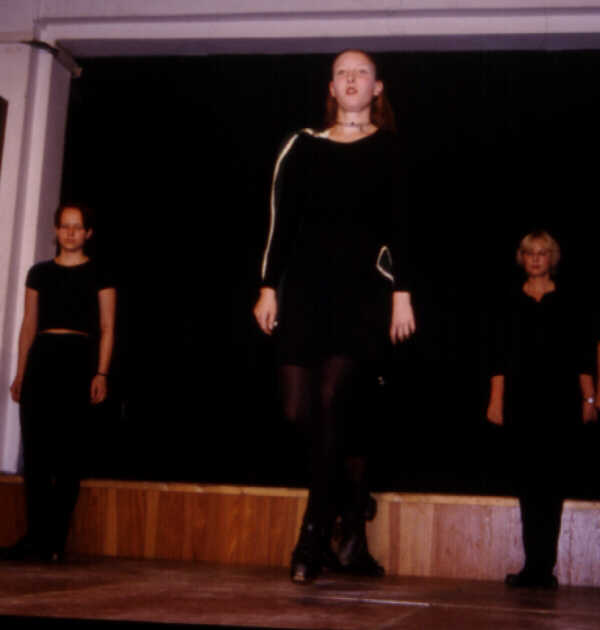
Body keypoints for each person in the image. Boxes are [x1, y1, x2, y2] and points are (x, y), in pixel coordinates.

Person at [254, 50, 416, 583]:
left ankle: (312, 536)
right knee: (297, 411)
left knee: (331, 400)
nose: (351, 79)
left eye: (361, 72)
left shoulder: (390, 148)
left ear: (377, 88)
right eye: (342, 72)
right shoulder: (301, 145)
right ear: (330, 86)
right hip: (303, 292)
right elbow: (279, 221)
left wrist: (402, 293)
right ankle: (352, 510)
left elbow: (402, 225)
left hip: (363, 294)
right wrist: (268, 287)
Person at [3, 203, 116, 562]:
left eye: (77, 226)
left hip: (78, 360)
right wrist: (21, 372)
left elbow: (108, 327)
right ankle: (35, 538)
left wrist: (101, 373)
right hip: (42, 359)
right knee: (36, 453)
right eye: (64, 226)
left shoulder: (99, 272)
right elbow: (28, 325)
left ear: (88, 233)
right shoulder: (39, 273)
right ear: (55, 230)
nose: (69, 232)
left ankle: (54, 541)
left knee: (69, 453)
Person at [486, 229, 596, 589]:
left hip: (560, 401)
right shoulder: (508, 300)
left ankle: (543, 568)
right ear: (522, 258)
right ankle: (532, 566)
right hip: (521, 400)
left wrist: (589, 399)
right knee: (527, 484)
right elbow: (499, 356)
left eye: (542, 253)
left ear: (552, 258)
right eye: (530, 253)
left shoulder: (570, 300)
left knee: (552, 485)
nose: (535, 259)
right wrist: (496, 400)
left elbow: (583, 353)